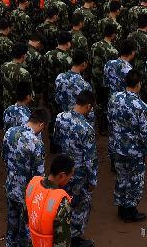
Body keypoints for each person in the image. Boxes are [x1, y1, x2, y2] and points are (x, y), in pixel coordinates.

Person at [52, 90, 97, 247]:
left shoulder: (60, 117)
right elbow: (90, 159)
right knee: (81, 205)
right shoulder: (86, 128)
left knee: (63, 202)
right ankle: (75, 238)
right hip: (79, 174)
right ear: (88, 106)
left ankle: (62, 234)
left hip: (62, 170)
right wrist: (93, 180)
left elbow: (56, 140)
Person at [107, 69, 147, 222]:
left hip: (117, 146)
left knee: (121, 177)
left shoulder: (114, 98)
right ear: (138, 84)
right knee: (135, 180)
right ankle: (130, 211)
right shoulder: (141, 107)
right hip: (134, 151)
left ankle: (121, 207)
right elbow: (145, 133)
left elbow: (110, 118)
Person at [2, 108, 48, 247]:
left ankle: (10, 244)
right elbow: (39, 177)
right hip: (27, 193)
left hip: (10, 185)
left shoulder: (10, 132)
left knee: (12, 221)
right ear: (41, 124)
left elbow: (4, 157)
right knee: (26, 227)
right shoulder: (36, 143)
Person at [25, 155, 75, 247]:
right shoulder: (61, 203)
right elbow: (62, 243)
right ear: (62, 176)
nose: (70, 179)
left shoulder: (32, 186)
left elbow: (26, 216)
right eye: (70, 176)